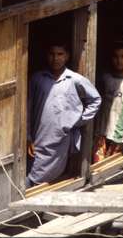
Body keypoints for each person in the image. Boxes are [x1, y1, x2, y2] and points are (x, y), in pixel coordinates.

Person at [26, 41, 101, 187]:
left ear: (67, 56)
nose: (56, 58)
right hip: (39, 134)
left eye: (60, 54)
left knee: (40, 176)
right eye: (52, 54)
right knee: (32, 169)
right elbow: (28, 108)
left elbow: (95, 99)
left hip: (61, 137)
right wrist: (28, 136)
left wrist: (78, 120)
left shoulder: (75, 80)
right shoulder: (38, 78)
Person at [93, 41, 123, 163]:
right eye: (116, 57)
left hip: (119, 129)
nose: (119, 60)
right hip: (102, 127)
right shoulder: (105, 77)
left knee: (113, 162)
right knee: (98, 162)